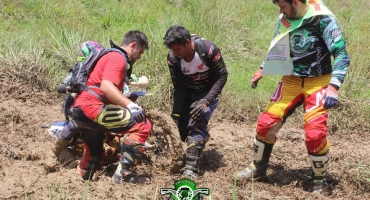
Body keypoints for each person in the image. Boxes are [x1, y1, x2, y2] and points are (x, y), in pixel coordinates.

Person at [236, 0, 350, 194]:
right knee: (265, 123)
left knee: (315, 134)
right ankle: (258, 168)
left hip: (319, 82)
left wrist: (334, 86)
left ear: (295, 2)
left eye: (283, 6)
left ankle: (319, 182)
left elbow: (341, 54)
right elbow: (277, 47)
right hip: (291, 80)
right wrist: (262, 69)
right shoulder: (285, 19)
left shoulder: (322, 19)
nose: (280, 11)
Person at [71, 30, 151, 183]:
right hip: (92, 107)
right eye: (140, 52)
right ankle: (124, 175)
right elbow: (106, 87)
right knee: (143, 125)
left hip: (80, 110)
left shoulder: (107, 55)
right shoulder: (117, 58)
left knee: (94, 154)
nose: (139, 57)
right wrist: (130, 105)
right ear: (133, 45)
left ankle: (82, 174)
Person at [163, 25, 228, 179]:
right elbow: (178, 87)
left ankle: (191, 170)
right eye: (172, 50)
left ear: (187, 42)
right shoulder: (173, 59)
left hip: (207, 93)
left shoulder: (208, 49)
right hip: (188, 93)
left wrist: (206, 101)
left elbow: (222, 75)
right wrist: (176, 115)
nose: (175, 53)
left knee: (197, 121)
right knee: (181, 129)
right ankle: (200, 137)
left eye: (177, 49)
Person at [51, 41, 104, 159]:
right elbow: (62, 85)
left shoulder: (100, 71)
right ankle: (54, 153)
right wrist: (70, 89)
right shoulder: (78, 70)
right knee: (75, 125)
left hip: (96, 106)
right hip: (77, 107)